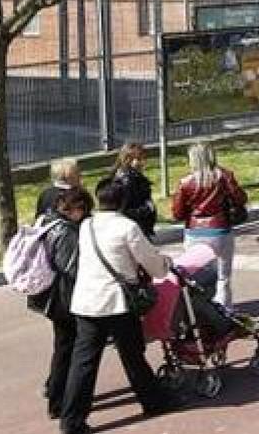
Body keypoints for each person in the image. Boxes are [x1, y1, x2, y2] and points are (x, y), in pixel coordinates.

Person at [59, 179, 176, 434]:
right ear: (123, 201)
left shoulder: (87, 225)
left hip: (87, 302)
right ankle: (153, 401)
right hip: (117, 303)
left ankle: (71, 420)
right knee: (132, 355)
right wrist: (164, 264)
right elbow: (153, 265)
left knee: (83, 363)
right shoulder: (127, 227)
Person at [28, 186, 92, 420]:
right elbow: (71, 268)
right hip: (65, 299)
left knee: (63, 348)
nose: (85, 216)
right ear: (75, 208)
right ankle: (58, 400)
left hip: (54, 298)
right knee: (67, 350)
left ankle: (58, 396)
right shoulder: (65, 232)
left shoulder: (48, 221)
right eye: (84, 211)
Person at [170, 142, 249, 307]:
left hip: (194, 232)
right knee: (222, 277)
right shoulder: (224, 176)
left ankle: (200, 313)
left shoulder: (185, 182)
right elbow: (240, 198)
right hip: (220, 230)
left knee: (194, 276)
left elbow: (177, 213)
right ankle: (224, 312)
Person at [113, 142, 157, 239]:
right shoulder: (127, 180)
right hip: (134, 231)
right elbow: (123, 211)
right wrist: (147, 209)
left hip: (139, 229)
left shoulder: (134, 177)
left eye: (144, 159)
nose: (143, 162)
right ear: (128, 160)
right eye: (139, 159)